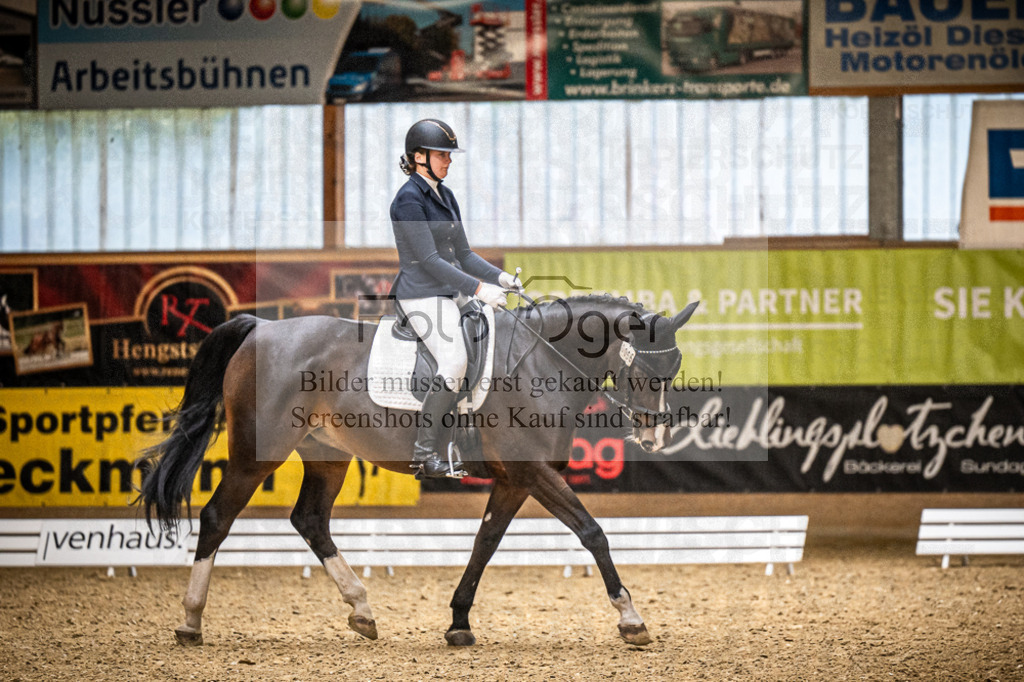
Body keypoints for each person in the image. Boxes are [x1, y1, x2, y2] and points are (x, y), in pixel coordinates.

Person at [390, 118, 522, 478]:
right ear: (419, 157)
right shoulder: (407, 201)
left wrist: (501, 278)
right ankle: (423, 454)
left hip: (450, 292)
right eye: (441, 155)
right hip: (421, 294)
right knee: (454, 360)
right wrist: (479, 289)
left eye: (449, 155)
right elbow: (430, 261)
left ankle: (468, 435)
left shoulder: (445, 195)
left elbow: (463, 254)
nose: (448, 161)